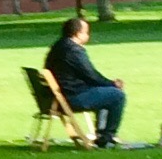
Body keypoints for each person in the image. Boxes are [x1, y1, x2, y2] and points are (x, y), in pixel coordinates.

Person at [45, 14, 126, 147]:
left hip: (54, 98)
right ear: (78, 34)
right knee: (117, 95)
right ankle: (107, 136)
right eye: (86, 32)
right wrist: (113, 84)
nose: (88, 35)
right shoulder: (74, 50)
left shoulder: (58, 46)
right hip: (72, 97)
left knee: (106, 92)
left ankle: (102, 135)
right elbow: (91, 75)